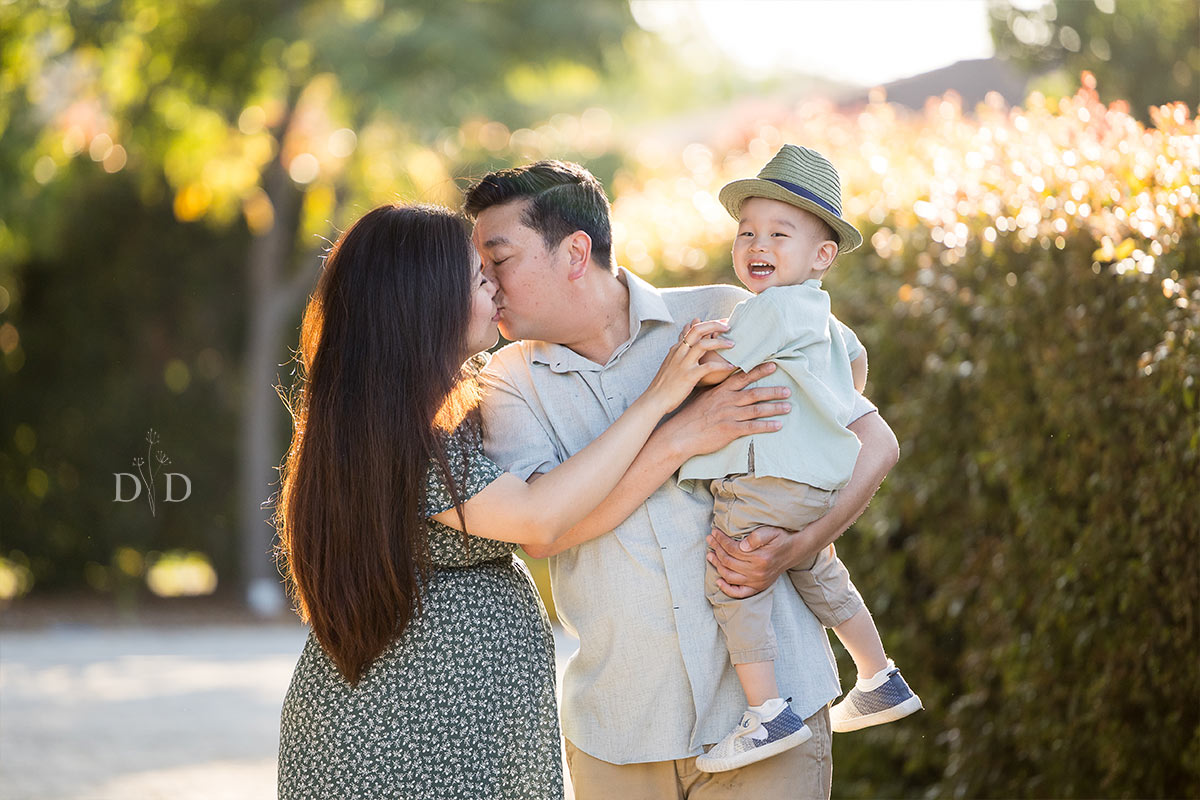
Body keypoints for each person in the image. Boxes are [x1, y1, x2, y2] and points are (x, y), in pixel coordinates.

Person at [467, 161, 900, 799]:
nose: (486, 285)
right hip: (622, 734)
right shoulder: (507, 383)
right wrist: (680, 434)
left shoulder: (730, 315)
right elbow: (544, 532)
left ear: (575, 253)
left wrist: (800, 546)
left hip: (774, 719)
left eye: (498, 259)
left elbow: (868, 433)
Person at [273, 203, 730, 799]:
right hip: (407, 734)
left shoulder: (423, 412)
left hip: (451, 728)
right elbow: (539, 516)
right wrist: (662, 412)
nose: (494, 284)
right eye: (476, 275)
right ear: (422, 300)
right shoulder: (402, 437)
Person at [677, 145, 921, 774]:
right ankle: (878, 675)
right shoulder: (822, 316)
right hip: (812, 485)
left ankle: (767, 713)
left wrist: (692, 352)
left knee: (733, 580)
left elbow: (711, 372)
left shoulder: (771, 308)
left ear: (822, 255)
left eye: (779, 234)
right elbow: (856, 368)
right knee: (819, 574)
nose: (758, 244)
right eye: (747, 232)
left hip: (763, 483)